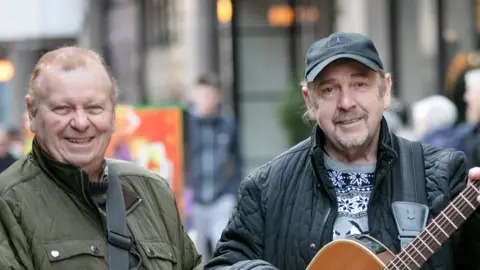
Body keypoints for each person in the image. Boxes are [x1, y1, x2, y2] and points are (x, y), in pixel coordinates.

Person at [205, 32, 480, 270]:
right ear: (309, 102)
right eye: (329, 89)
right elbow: (224, 263)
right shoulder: (265, 189)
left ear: (385, 91)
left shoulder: (444, 174)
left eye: (359, 84)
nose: (346, 102)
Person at [0, 46, 201, 269]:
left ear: (113, 115)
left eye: (94, 108)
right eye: (63, 109)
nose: (81, 122)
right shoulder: (8, 203)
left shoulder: (153, 191)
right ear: (32, 112)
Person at [185, 74, 242, 263]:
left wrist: (233, 192)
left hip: (221, 200)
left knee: (225, 250)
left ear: (217, 97)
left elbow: (237, 161)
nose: (206, 100)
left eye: (211, 95)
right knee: (194, 254)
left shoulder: (228, 124)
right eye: (202, 95)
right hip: (193, 201)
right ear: (193, 96)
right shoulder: (184, 124)